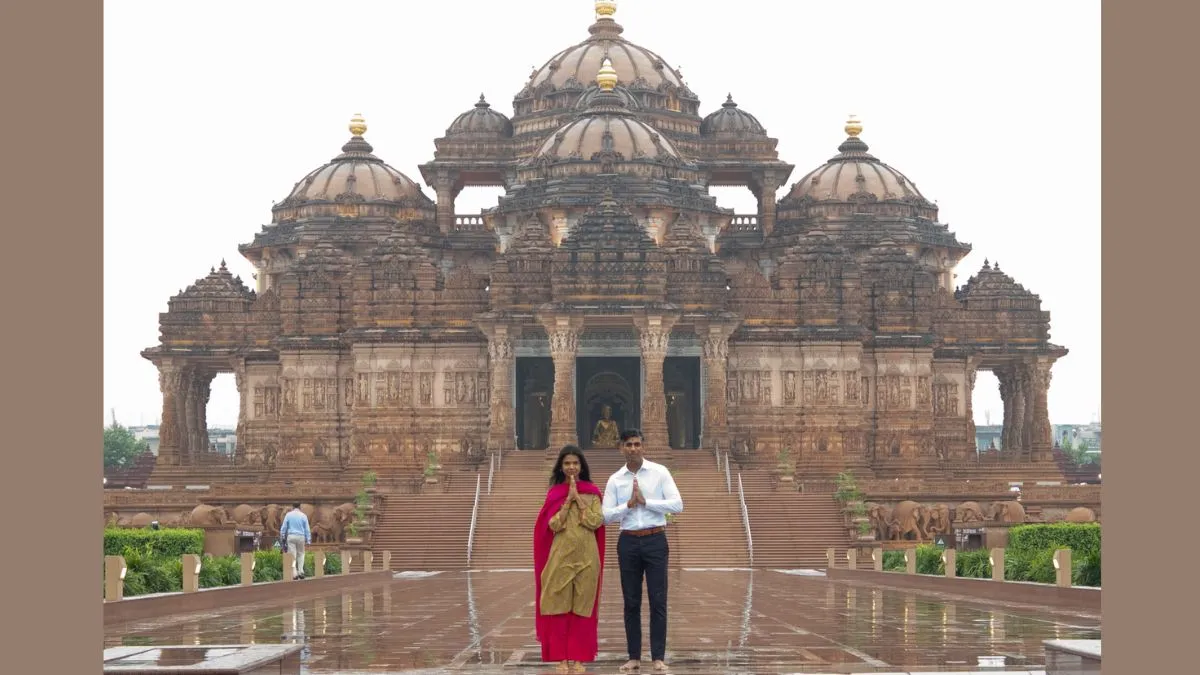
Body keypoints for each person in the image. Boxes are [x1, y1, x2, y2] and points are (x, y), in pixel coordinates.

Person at [602, 429, 683, 674]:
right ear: (621, 448)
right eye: (628, 445)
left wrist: (647, 502)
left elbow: (677, 504)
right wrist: (627, 505)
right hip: (628, 541)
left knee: (658, 600)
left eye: (637, 444)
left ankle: (658, 656)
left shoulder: (660, 473)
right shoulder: (616, 479)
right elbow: (604, 516)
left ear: (643, 447)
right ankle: (634, 656)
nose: (633, 449)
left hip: (655, 538)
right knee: (631, 602)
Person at [534, 445, 606, 674]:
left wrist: (580, 499)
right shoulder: (555, 493)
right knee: (558, 606)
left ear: (582, 466)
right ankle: (561, 658)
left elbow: (596, 522)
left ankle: (579, 658)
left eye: (575, 463)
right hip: (560, 555)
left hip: (587, 556)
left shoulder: (593, 492)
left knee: (583, 608)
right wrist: (568, 501)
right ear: (561, 467)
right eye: (567, 463)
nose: (571, 467)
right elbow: (553, 525)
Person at [280, 503, 311, 580]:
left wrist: (282, 536)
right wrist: (308, 540)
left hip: (291, 536)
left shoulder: (288, 515)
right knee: (301, 554)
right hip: (301, 536)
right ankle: (301, 571)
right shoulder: (303, 515)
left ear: (292, 507)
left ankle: (294, 573)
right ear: (300, 507)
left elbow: (284, 527)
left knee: (293, 555)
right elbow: (307, 529)